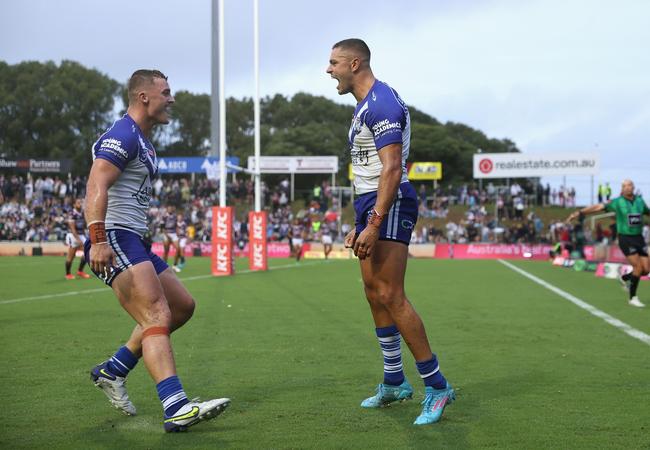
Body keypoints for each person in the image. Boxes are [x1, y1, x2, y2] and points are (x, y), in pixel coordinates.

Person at [84, 69, 229, 432]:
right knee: (155, 315)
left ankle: (112, 370)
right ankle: (176, 407)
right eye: (166, 92)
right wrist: (98, 238)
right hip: (115, 236)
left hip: (135, 239)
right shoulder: (123, 133)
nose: (172, 98)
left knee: (181, 307)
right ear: (144, 96)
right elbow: (96, 182)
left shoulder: (144, 140)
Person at [327, 38, 455, 425]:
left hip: (391, 201)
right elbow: (368, 171)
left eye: (333, 62)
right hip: (371, 203)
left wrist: (375, 222)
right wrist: (360, 224)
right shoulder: (365, 106)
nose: (328, 69)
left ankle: (436, 386)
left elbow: (392, 168)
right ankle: (395, 381)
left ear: (354, 63)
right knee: (373, 293)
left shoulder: (381, 103)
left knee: (390, 294)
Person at [567, 179, 649, 307]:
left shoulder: (640, 201)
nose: (627, 187)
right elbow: (598, 207)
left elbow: (648, 213)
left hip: (639, 238)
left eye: (629, 185)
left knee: (646, 270)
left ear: (633, 187)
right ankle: (632, 298)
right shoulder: (617, 202)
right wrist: (580, 212)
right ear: (622, 189)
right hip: (626, 238)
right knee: (638, 267)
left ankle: (625, 278)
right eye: (624, 186)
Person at [64, 198, 91, 280]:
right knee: (71, 256)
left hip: (81, 234)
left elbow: (84, 224)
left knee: (88, 252)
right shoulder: (72, 213)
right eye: (78, 203)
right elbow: (72, 229)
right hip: (73, 235)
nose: (80, 204)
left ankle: (80, 271)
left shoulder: (82, 213)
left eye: (81, 202)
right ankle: (68, 274)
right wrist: (79, 240)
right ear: (74, 205)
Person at [161, 205, 181, 272]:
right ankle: (164, 266)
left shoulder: (175, 216)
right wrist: (167, 235)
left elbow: (177, 226)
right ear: (167, 209)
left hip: (173, 234)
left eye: (171, 209)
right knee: (166, 251)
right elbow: (162, 228)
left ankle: (174, 266)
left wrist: (178, 234)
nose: (170, 210)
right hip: (166, 233)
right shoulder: (164, 216)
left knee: (178, 249)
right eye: (168, 209)